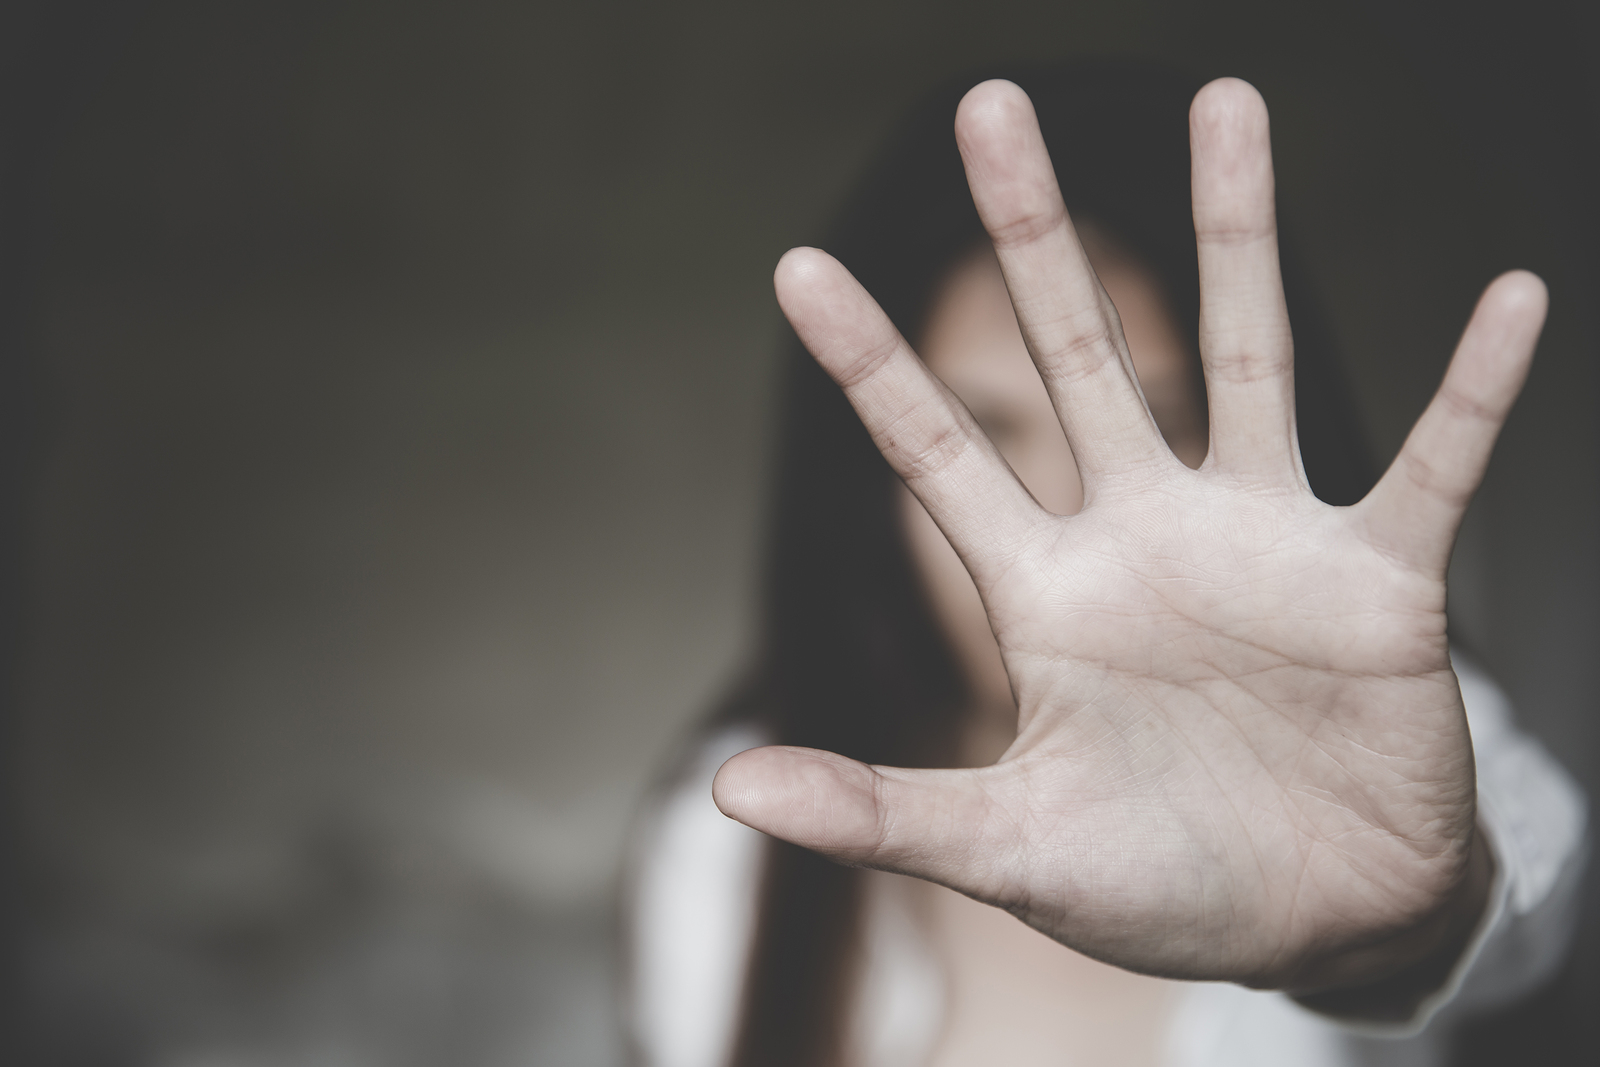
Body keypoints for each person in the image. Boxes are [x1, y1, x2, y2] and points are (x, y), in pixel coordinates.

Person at [624, 64, 1587, 1067]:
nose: (1056, 514)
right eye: (977, 436)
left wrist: (1415, 925)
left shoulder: (1375, 732)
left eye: (1159, 422)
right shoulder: (733, 855)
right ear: (873, 492)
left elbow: (1526, 885)